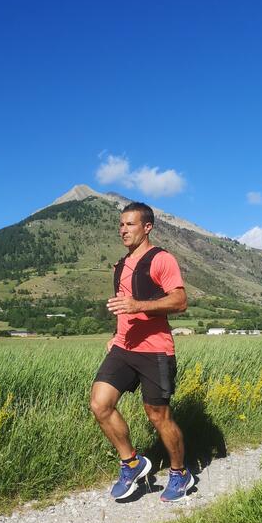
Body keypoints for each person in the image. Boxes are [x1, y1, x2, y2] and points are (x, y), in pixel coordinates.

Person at [90, 201, 194, 502]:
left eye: (130, 224)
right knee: (100, 404)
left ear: (147, 227)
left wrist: (140, 306)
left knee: (157, 416)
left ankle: (179, 473)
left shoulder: (162, 259)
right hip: (124, 348)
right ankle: (132, 463)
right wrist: (115, 334)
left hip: (156, 350)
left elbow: (180, 301)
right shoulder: (121, 265)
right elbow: (123, 308)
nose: (123, 230)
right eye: (121, 224)